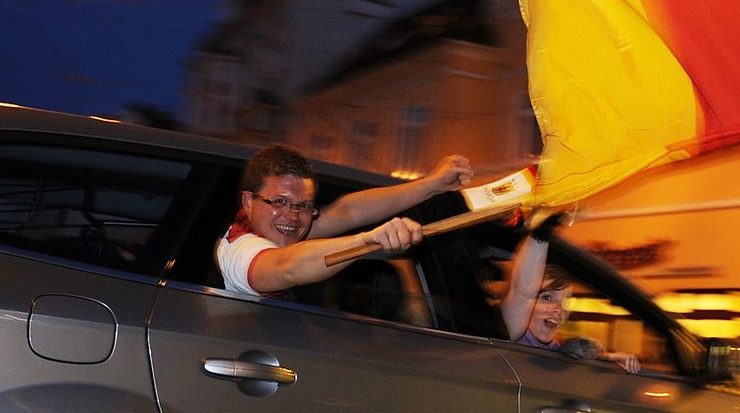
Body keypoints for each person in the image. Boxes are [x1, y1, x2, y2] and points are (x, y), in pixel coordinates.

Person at [216, 144, 472, 297]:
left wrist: (431, 185)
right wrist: (368, 241)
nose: (292, 216)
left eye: (304, 206)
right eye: (279, 202)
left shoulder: (277, 230)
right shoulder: (241, 252)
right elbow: (289, 266)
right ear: (249, 202)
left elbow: (347, 212)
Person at [499, 217, 640, 371]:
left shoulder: (553, 351)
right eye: (547, 298)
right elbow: (522, 291)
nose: (559, 309)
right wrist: (542, 231)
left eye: (565, 303)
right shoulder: (509, 336)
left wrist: (609, 360)